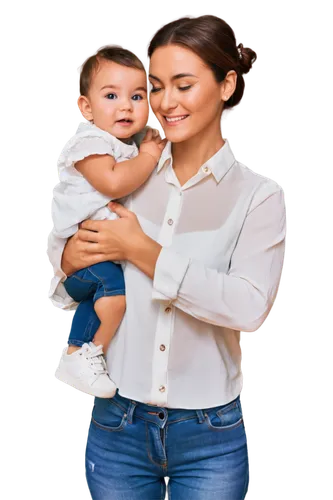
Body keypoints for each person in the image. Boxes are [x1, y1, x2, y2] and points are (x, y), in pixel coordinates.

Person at [47, 14, 287, 500]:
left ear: (227, 84)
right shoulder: (121, 172)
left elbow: (248, 308)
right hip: (117, 426)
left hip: (211, 435)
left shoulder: (258, 195)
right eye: (155, 87)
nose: (166, 103)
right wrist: (68, 255)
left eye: (185, 84)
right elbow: (69, 258)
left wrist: (141, 250)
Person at [49, 43, 166, 398]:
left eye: (137, 96)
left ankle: (77, 350)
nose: (126, 106)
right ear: (85, 107)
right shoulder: (91, 142)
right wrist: (148, 154)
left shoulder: (124, 143)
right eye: (111, 95)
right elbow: (114, 181)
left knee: (100, 300)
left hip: (98, 258)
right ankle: (86, 353)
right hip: (84, 257)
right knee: (115, 297)